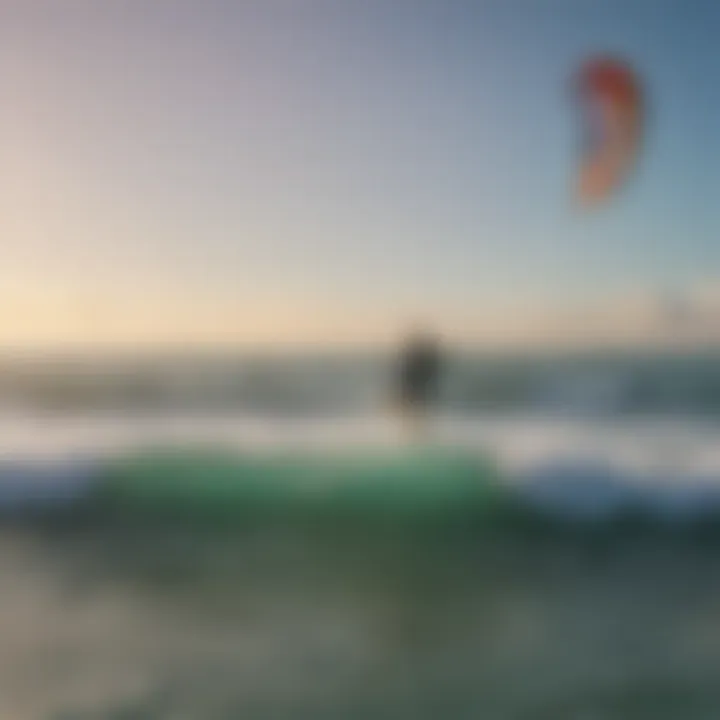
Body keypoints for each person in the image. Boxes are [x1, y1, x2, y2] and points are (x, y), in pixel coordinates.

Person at [394, 327, 443, 442]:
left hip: (417, 387)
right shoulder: (418, 358)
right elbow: (409, 375)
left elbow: (411, 374)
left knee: (417, 411)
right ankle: (416, 434)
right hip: (416, 387)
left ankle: (417, 434)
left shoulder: (419, 357)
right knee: (416, 411)